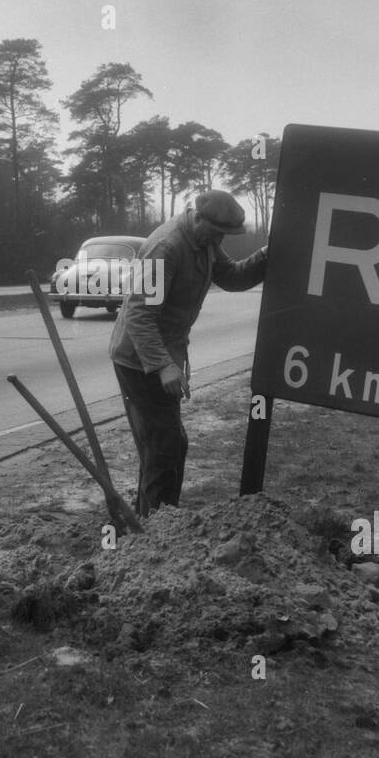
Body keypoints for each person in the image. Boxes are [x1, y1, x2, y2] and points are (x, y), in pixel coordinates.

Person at [109, 190, 268, 521]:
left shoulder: (203, 241)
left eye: (222, 235)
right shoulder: (166, 248)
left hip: (160, 356)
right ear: (197, 217)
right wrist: (164, 366)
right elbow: (140, 315)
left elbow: (234, 278)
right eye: (215, 233)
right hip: (141, 361)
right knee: (165, 447)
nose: (218, 240)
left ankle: (154, 523)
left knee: (166, 446)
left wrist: (267, 255)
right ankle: (156, 530)